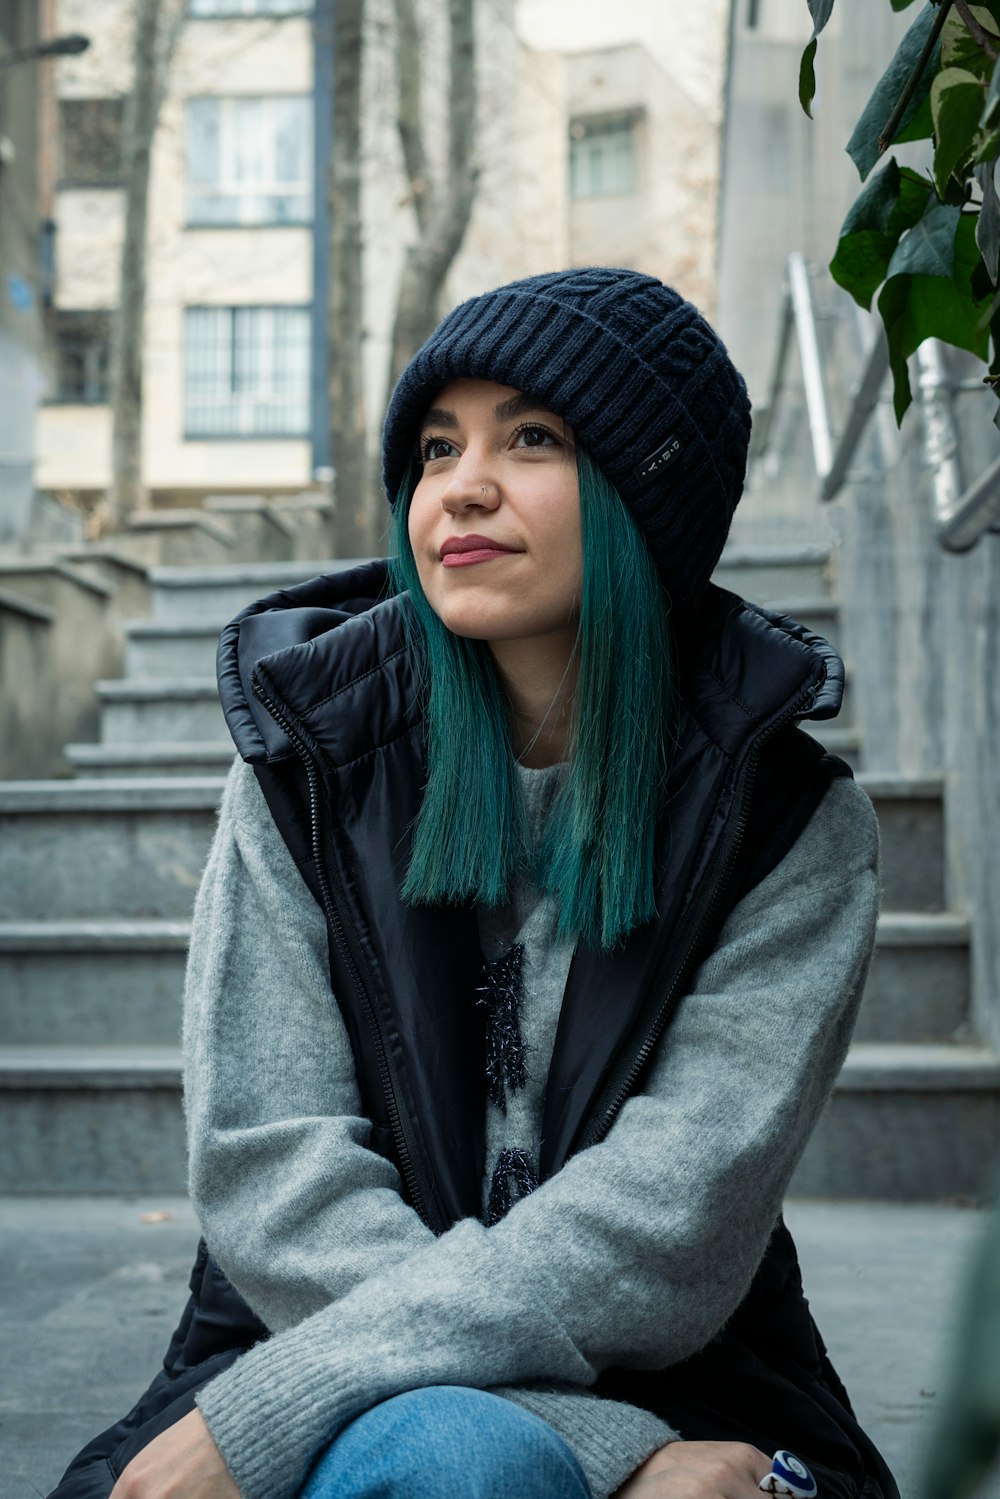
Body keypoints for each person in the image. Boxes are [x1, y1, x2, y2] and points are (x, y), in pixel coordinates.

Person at [50, 268, 899, 1499]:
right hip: (302, 1339)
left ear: (647, 488)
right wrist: (613, 1451)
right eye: (437, 446)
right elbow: (272, 1169)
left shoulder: (783, 824)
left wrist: (296, 1409)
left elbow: (665, 1224)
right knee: (449, 1448)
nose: (463, 484)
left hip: (684, 1377)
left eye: (533, 437)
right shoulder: (308, 770)